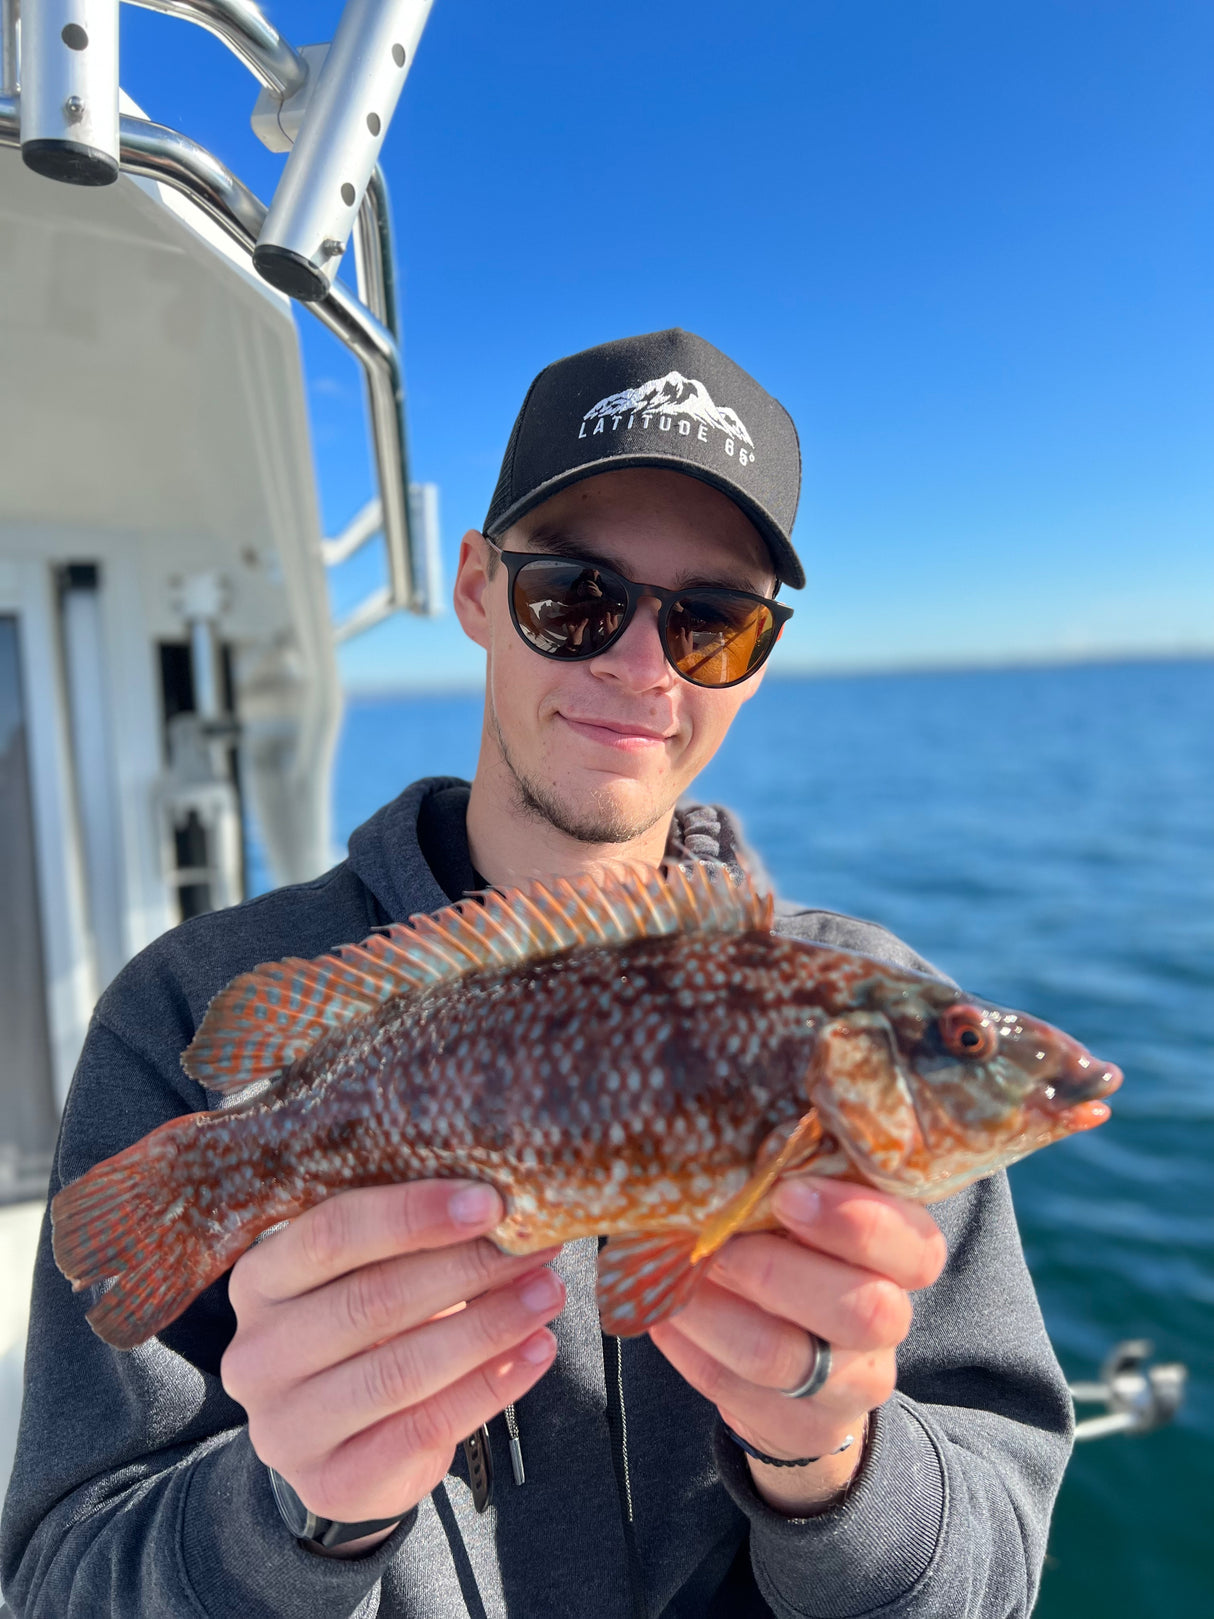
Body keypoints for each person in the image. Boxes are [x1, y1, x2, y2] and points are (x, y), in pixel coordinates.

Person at [0, 329, 1072, 1618]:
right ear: (474, 588)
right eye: (574, 597)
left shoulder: (871, 997)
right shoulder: (179, 1013)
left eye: (712, 622)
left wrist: (833, 1465)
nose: (637, 664)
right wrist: (294, 1514)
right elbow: (60, 1584)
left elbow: (996, 1581)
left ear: (761, 656)